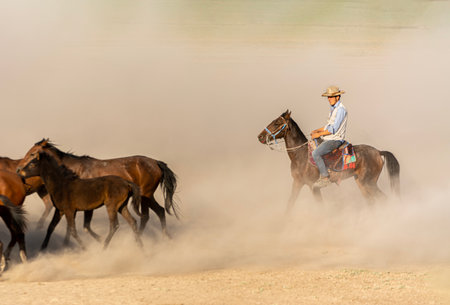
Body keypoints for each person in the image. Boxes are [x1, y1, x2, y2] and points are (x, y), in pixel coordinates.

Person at [310, 86, 348, 188]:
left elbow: (333, 129)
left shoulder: (341, 110)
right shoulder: (334, 109)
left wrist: (319, 134)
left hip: (335, 140)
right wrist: (317, 130)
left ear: (338, 97)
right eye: (328, 97)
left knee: (315, 153)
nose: (329, 99)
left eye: (331, 97)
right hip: (329, 138)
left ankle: (325, 177)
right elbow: (328, 126)